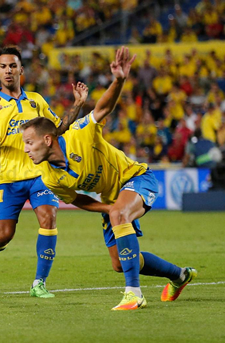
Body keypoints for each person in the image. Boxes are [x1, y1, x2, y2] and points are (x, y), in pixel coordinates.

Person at [21, 46, 197, 310]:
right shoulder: (49, 176)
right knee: (123, 263)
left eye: (29, 143)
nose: (25, 149)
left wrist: (119, 80)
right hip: (112, 199)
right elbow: (77, 199)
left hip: (138, 178)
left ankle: (134, 293)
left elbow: (102, 109)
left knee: (118, 216)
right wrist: (107, 207)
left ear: (47, 140)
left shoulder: (80, 133)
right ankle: (180, 275)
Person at [0, 46, 88, 297]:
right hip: (8, 179)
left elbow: (59, 128)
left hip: (40, 175)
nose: (8, 70)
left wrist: (77, 105)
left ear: (21, 69)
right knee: (2, 235)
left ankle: (39, 284)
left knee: (48, 218)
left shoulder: (37, 100)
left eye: (13, 65)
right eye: (3, 66)